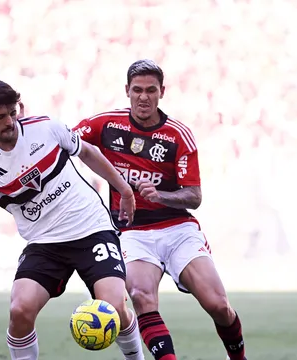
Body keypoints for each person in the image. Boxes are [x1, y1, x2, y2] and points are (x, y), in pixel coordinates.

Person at [0, 80, 145, 360]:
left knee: (113, 307)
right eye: (0, 117)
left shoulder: (46, 128)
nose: (10, 122)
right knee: (19, 309)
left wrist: (123, 189)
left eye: (13, 113)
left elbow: (87, 152)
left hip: (91, 229)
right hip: (45, 244)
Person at [74, 59, 247, 360]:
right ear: (127, 91)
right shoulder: (105, 124)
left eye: (151, 90)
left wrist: (161, 196)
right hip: (132, 232)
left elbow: (194, 196)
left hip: (178, 229)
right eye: (137, 90)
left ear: (162, 92)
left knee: (218, 305)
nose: (144, 97)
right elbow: (65, 140)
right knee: (141, 296)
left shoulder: (178, 135)